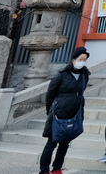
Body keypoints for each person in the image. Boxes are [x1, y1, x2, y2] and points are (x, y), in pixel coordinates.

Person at [39, 46, 90, 174]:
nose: (82, 62)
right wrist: (49, 110)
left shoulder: (85, 75)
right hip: (58, 113)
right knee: (51, 143)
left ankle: (57, 168)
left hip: (74, 112)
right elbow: (50, 93)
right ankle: (44, 170)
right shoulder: (61, 74)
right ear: (73, 60)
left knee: (64, 144)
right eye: (80, 59)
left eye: (85, 59)